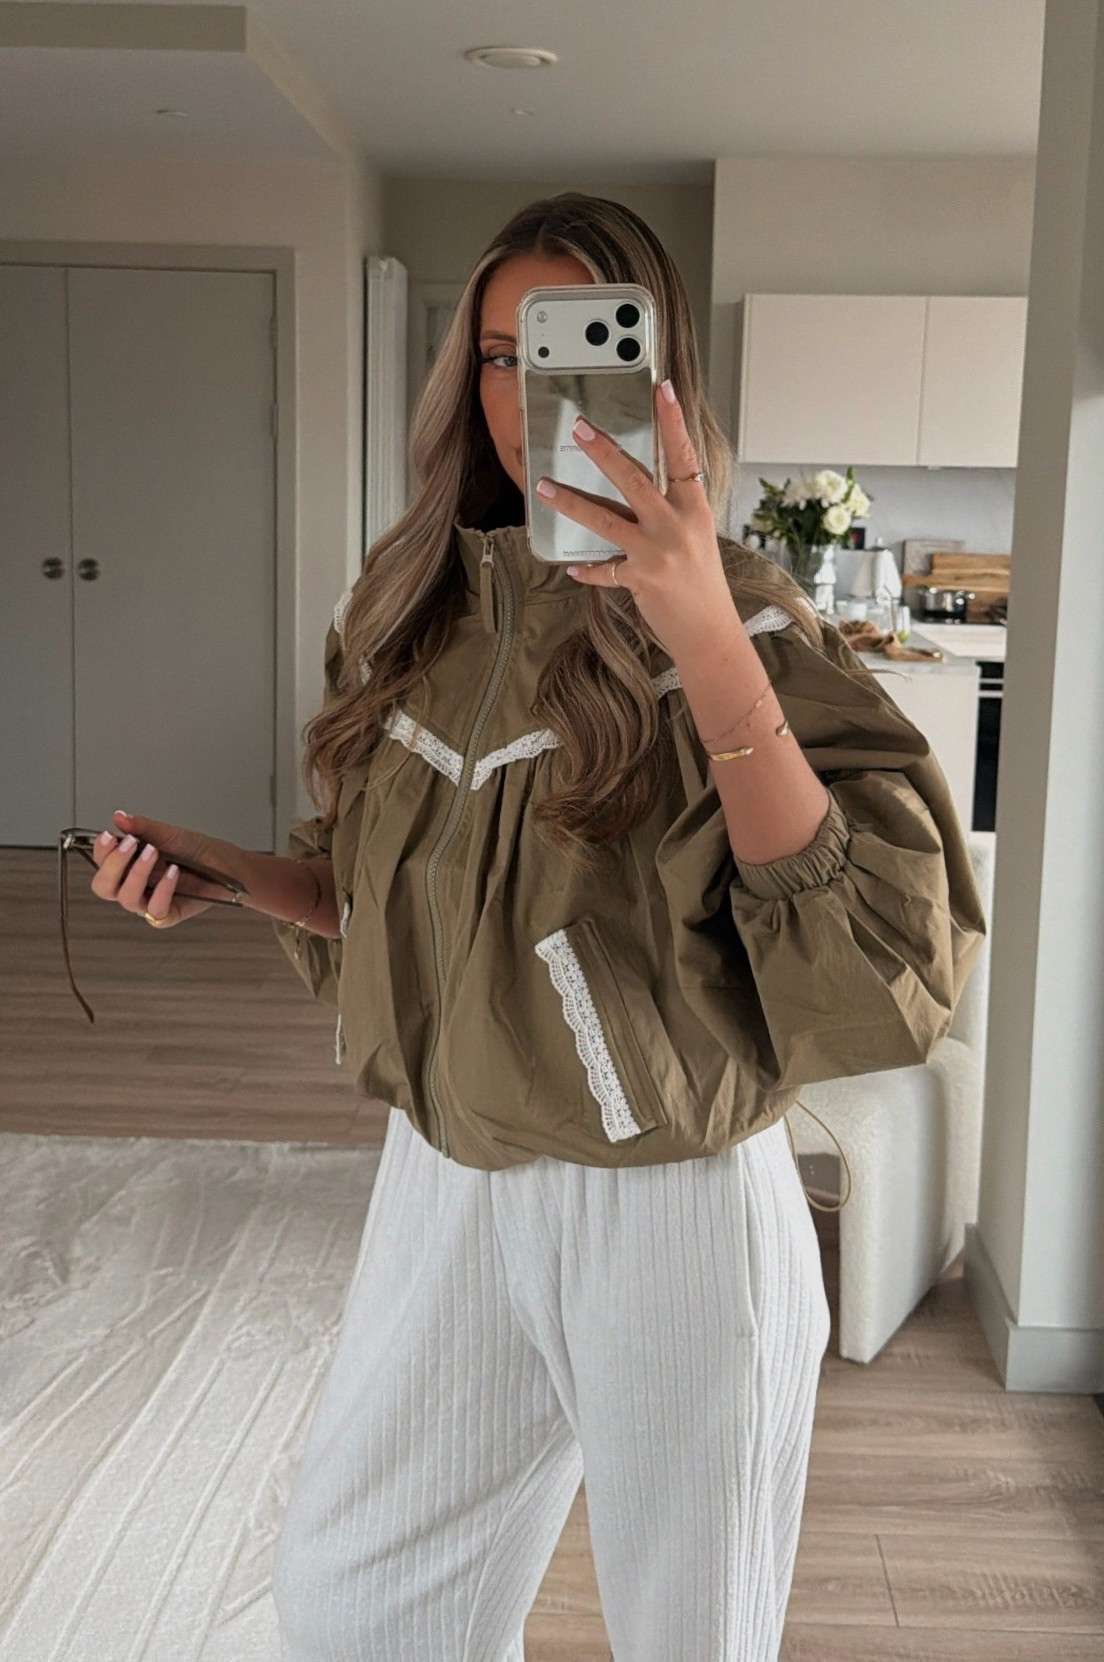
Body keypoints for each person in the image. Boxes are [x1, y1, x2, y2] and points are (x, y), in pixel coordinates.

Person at [89, 192, 986, 1661]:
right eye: (502, 357)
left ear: (653, 374)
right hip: (442, 1184)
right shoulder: (407, 614)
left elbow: (877, 967)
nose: (531, 398)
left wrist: (701, 630)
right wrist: (232, 877)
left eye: (575, 352)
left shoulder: (752, 618)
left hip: (671, 1205)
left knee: (691, 1635)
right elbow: (371, 898)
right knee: (358, 1607)